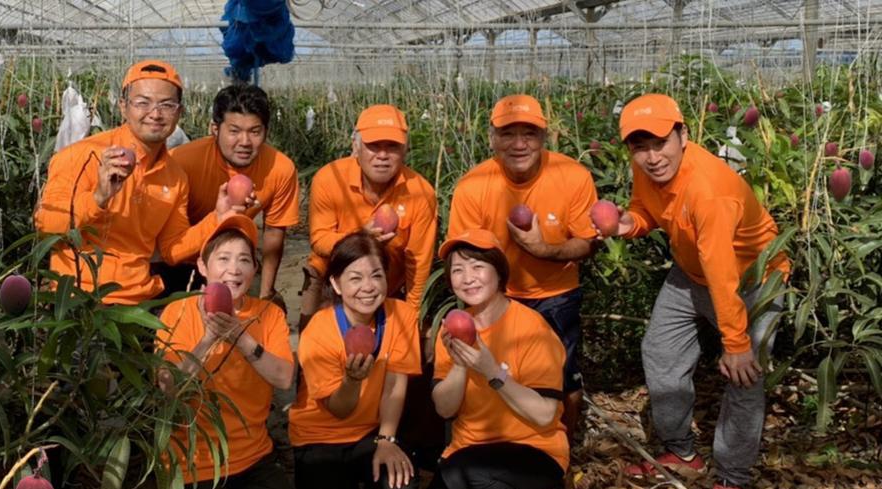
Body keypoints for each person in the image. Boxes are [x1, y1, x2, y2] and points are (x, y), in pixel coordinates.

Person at [614, 94, 788, 489]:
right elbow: (645, 210)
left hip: (752, 280)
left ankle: (731, 480)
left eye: (660, 143)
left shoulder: (709, 190)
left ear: (684, 135)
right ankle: (682, 452)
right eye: (639, 146)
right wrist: (627, 225)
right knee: (660, 351)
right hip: (692, 272)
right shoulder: (646, 169)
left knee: (744, 375)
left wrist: (736, 343)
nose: (652, 157)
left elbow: (722, 268)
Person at [156, 214, 306, 489]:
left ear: (254, 270)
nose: (233, 269)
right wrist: (208, 339)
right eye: (223, 258)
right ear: (203, 266)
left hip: (253, 456)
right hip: (197, 463)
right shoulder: (176, 312)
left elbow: (285, 377)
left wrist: (241, 338)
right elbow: (169, 389)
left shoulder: (268, 314)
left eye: (244, 260)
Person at [412, 229, 569, 489]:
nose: (468, 278)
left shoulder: (532, 329)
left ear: (499, 272)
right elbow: (444, 409)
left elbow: (545, 415)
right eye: (457, 270)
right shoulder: (452, 329)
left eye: (478, 267)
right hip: (470, 452)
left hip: (535, 451)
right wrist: (459, 366)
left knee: (461, 472)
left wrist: (491, 371)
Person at [447, 94, 598, 440]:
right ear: (492, 138)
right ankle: (505, 441)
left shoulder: (572, 176)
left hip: (555, 296)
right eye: (507, 134)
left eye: (529, 134)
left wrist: (543, 249)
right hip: (497, 299)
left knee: (563, 376)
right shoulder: (473, 186)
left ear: (545, 137)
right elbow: (466, 255)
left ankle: (562, 450)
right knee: (498, 372)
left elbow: (588, 242)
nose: (519, 144)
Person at [34, 59, 232, 305]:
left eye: (167, 105)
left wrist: (219, 217)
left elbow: (172, 249)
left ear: (179, 113)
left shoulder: (175, 177)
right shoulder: (81, 156)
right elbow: (46, 226)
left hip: (138, 299)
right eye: (142, 103)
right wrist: (99, 197)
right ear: (123, 107)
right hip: (80, 300)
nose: (155, 114)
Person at [289, 231, 421, 489]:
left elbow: (395, 385)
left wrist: (387, 439)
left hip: (368, 435)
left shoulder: (401, 315)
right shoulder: (319, 331)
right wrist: (352, 381)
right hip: (320, 441)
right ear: (335, 284)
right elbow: (338, 408)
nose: (368, 287)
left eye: (376, 275)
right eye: (355, 277)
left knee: (401, 486)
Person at [299, 104, 437, 332]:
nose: (382, 155)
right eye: (373, 146)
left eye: (392, 146)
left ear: (405, 149)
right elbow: (319, 241)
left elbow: (418, 263)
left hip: (384, 285)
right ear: (356, 146)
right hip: (329, 276)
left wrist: (411, 319)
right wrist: (359, 237)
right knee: (315, 344)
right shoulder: (329, 179)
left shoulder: (420, 193)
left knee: (389, 349)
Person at [168, 84, 299, 305]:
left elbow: (274, 235)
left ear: (266, 131)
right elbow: (168, 239)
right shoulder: (182, 161)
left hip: (232, 262)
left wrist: (267, 293)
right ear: (215, 129)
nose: (245, 142)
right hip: (182, 261)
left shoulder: (281, 169)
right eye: (234, 131)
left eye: (255, 131)